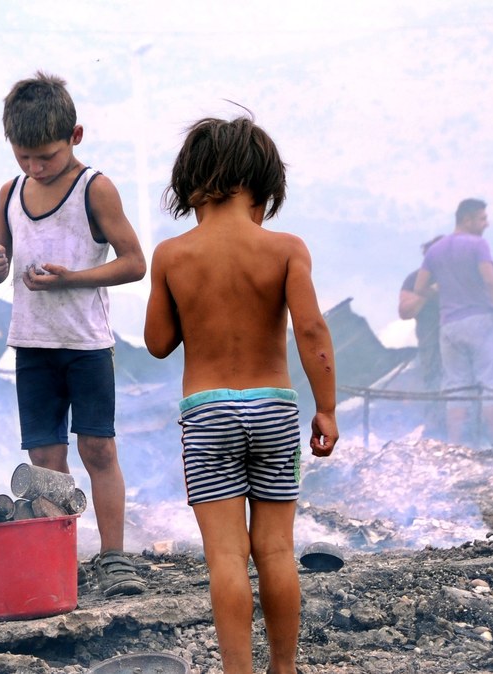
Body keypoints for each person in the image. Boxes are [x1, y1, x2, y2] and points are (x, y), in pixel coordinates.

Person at [143, 115, 338, 674]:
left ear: (191, 187)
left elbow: (157, 343)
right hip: (274, 407)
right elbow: (312, 332)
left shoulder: (173, 255)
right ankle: (285, 668)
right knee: (275, 550)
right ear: (262, 187)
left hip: (208, 413)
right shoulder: (285, 249)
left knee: (226, 556)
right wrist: (325, 406)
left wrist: (192, 301)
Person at [0, 71, 148, 597]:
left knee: (97, 448)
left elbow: (135, 262)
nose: (35, 167)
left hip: (86, 344)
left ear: (75, 136)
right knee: (45, 460)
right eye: (23, 156)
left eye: (45, 156)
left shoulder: (93, 188)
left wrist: (72, 280)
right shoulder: (10, 193)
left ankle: (114, 558)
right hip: (31, 344)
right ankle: (59, 559)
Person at [414, 198, 493, 449]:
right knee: (491, 383)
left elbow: (419, 287)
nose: (486, 223)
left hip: (449, 327)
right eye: (482, 218)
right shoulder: (478, 245)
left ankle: (456, 447)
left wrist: (444, 291)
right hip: (480, 321)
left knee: (456, 387)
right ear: (467, 219)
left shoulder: (436, 250)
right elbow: (491, 281)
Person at [398, 236, 445, 438]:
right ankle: (436, 431)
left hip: (459, 339)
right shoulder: (415, 279)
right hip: (431, 343)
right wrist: (428, 292)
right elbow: (405, 311)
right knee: (434, 382)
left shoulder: (459, 276)